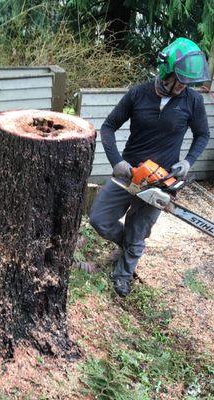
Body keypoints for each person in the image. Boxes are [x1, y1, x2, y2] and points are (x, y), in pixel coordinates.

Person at [88, 37, 211, 297]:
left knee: (138, 228)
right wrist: (117, 162)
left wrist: (188, 162)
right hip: (130, 173)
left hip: (161, 180)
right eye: (179, 80)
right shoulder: (138, 94)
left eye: (186, 83)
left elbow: (202, 134)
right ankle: (129, 246)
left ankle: (123, 275)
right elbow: (108, 127)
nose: (182, 87)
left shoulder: (192, 101)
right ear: (165, 71)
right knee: (99, 218)